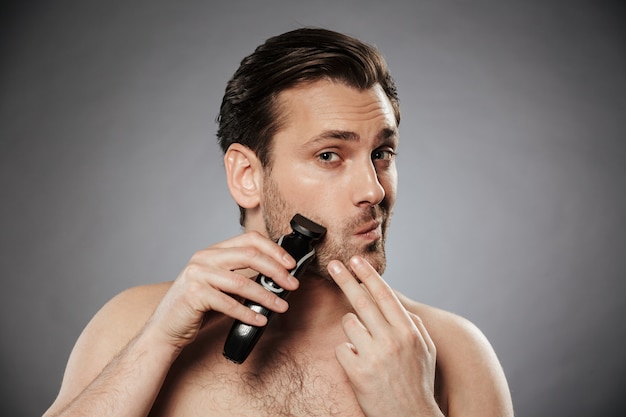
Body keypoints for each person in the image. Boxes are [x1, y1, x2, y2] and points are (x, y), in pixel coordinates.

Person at [43, 28, 514, 417]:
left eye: (382, 154)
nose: (373, 190)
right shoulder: (132, 323)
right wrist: (156, 343)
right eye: (330, 155)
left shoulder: (453, 352)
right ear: (247, 176)